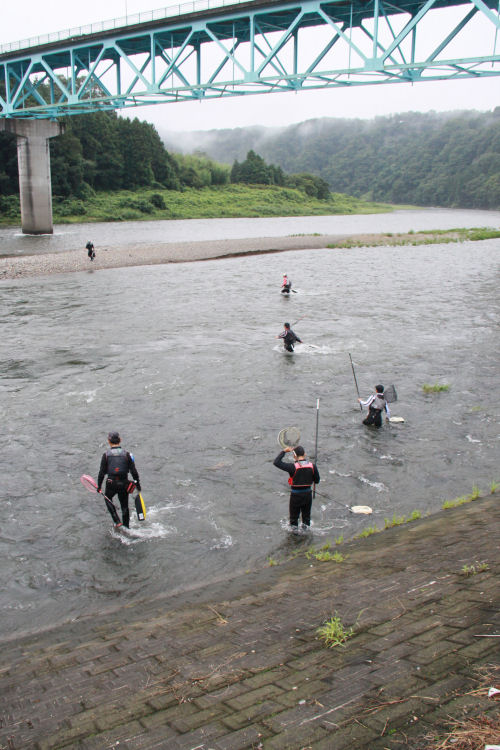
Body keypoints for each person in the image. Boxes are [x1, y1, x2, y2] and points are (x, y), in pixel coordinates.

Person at [97, 431, 141, 528]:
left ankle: (117, 521)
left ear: (109, 441)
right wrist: (137, 486)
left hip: (111, 483)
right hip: (124, 483)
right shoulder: (127, 455)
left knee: (107, 498)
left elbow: (101, 473)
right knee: (124, 506)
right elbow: (134, 472)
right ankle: (126, 527)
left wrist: (99, 486)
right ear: (120, 440)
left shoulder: (106, 455)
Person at [273, 445, 320, 532]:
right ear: (304, 454)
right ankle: (306, 537)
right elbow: (317, 481)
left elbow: (276, 462)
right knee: (306, 519)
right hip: (307, 495)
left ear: (294, 456)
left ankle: (294, 539)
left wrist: (284, 451)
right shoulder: (312, 466)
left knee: (294, 520)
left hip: (296, 496)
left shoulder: (292, 467)